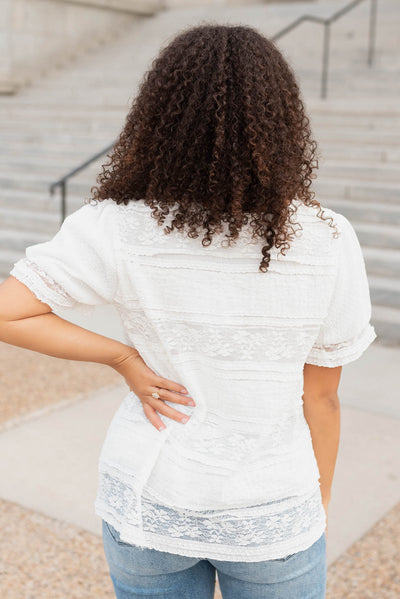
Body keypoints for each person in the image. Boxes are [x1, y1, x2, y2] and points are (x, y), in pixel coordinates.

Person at [0, 22, 377, 599]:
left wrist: (121, 357)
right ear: (283, 122)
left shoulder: (117, 226)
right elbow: (321, 398)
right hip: (274, 511)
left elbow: (8, 311)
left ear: (159, 117)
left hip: (151, 504)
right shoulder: (328, 239)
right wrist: (314, 510)